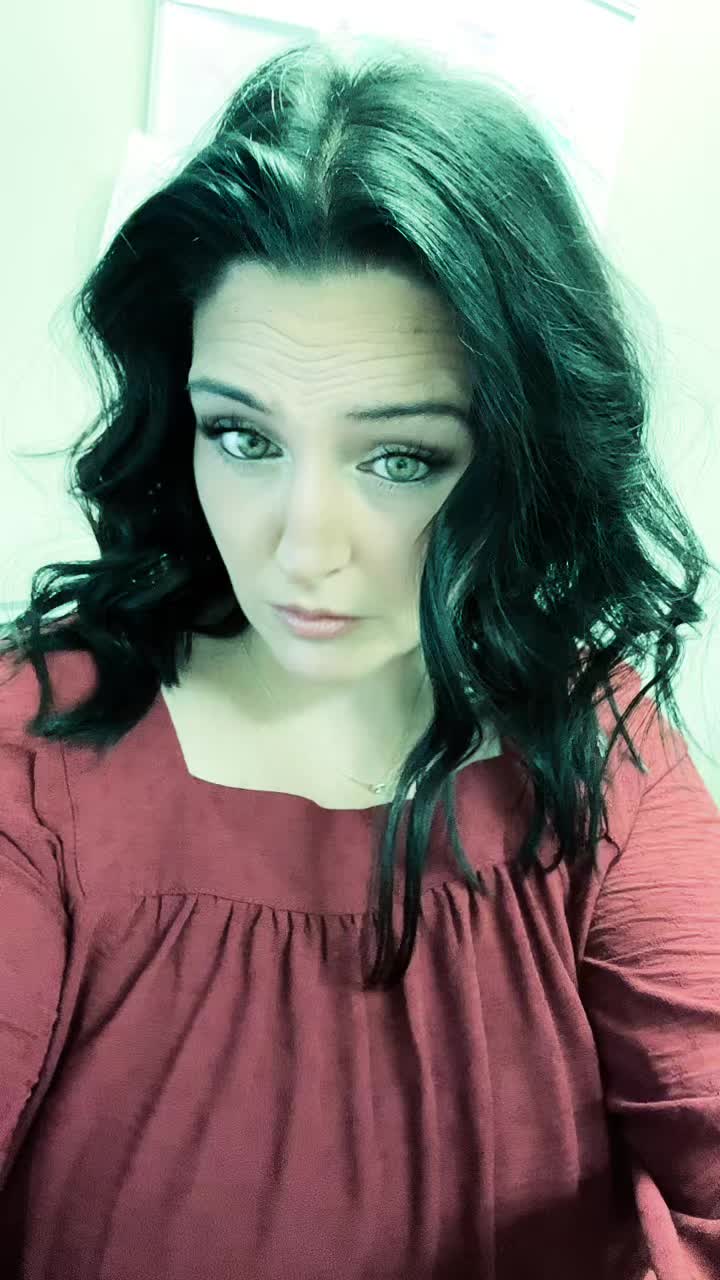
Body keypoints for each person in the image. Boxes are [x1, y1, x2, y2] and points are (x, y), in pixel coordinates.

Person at [0, 32, 718, 1280]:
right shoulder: (36, 747)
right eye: (244, 437)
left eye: (400, 458)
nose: (302, 547)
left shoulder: (599, 750)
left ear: (516, 455)